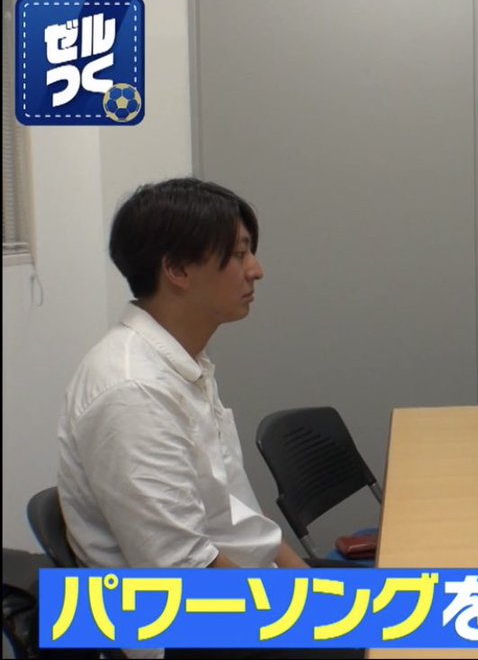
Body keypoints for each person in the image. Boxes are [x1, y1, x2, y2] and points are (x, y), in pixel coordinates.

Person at [56, 178, 361, 659]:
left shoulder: (182, 361)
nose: (256, 270)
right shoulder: (132, 390)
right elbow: (183, 574)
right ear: (177, 269)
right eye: (238, 255)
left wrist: (309, 583)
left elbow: (236, 512)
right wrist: (312, 617)